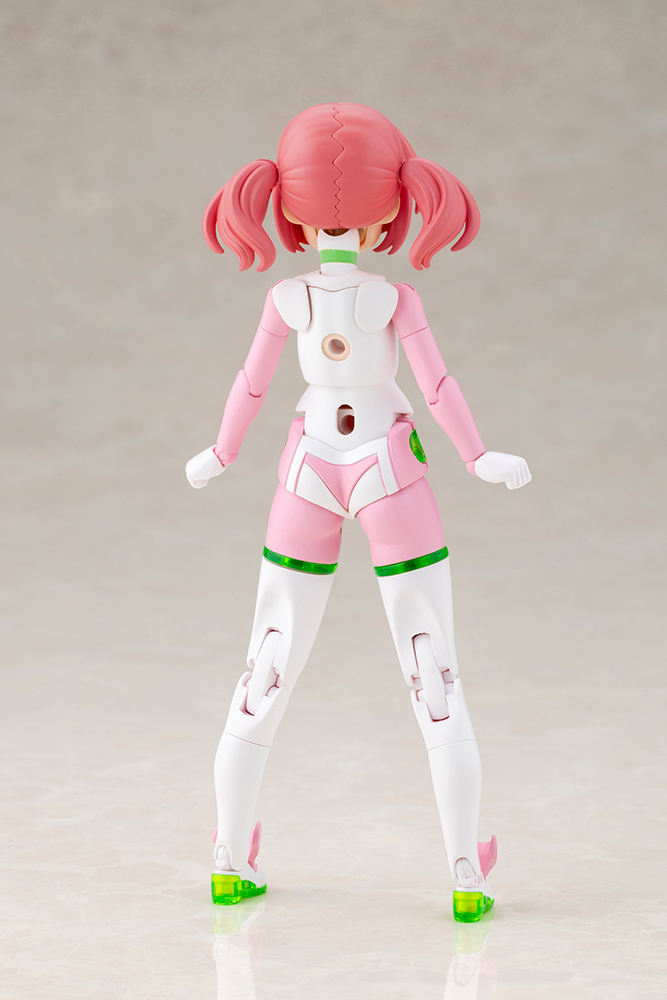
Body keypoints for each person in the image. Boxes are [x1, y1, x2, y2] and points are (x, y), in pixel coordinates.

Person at [186, 103, 531, 922]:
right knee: (432, 673)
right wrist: (478, 456)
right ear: (392, 208)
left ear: (286, 205)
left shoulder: (285, 298)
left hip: (305, 468)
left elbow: (251, 386)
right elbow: (436, 387)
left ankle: (228, 858)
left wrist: (222, 452)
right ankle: (464, 873)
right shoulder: (393, 298)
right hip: (388, 471)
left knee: (265, 666)